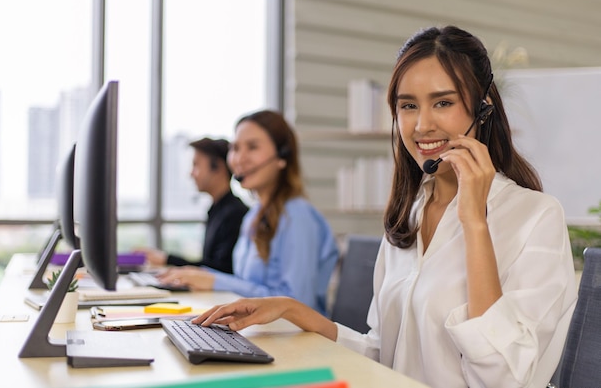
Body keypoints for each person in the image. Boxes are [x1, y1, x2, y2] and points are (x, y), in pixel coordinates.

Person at [190, 26, 578, 388]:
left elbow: (502, 378)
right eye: (408, 106)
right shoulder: (409, 216)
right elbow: (383, 356)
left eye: (443, 102)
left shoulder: (535, 217)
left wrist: (475, 221)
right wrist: (291, 310)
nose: (422, 125)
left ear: (483, 108)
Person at [158, 110, 339, 315]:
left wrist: (215, 281)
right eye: (235, 148)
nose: (239, 158)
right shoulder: (253, 216)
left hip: (294, 338)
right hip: (261, 330)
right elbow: (246, 284)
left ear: (282, 155)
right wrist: (199, 275)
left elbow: (296, 303)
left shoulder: (297, 216)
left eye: (252, 147)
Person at [134, 137, 248, 274]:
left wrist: (167, 259)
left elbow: (220, 269)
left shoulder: (235, 213)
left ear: (218, 167)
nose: (191, 174)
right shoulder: (216, 210)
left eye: (196, 165)